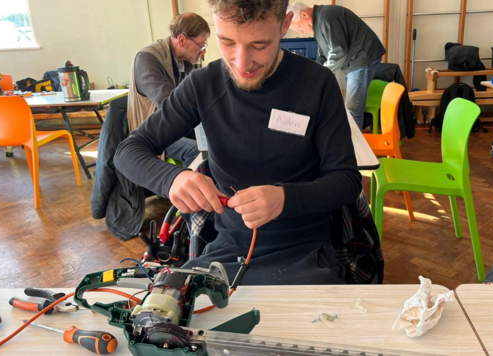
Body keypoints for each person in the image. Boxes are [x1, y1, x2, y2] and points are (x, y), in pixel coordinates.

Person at [115, 0, 363, 285]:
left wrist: (285, 199)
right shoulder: (202, 85)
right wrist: (171, 178)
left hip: (304, 251)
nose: (242, 64)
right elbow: (128, 151)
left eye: (259, 45)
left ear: (285, 25)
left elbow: (347, 181)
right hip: (228, 249)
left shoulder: (317, 83)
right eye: (227, 42)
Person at [128, 12, 211, 167]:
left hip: (175, 126)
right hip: (154, 131)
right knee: (198, 151)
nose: (203, 51)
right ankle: (193, 191)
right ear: (182, 40)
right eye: (201, 45)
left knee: (216, 141)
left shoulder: (183, 62)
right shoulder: (147, 58)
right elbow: (170, 106)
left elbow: (195, 95)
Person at [287, 2, 386, 130]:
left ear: (304, 15)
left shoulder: (326, 18)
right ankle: (349, 143)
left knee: (353, 109)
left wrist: (320, 74)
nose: (301, 32)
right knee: (350, 107)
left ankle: (353, 148)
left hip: (362, 57)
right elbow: (323, 55)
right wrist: (311, 72)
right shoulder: (318, 23)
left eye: (299, 27)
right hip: (354, 60)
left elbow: (339, 52)